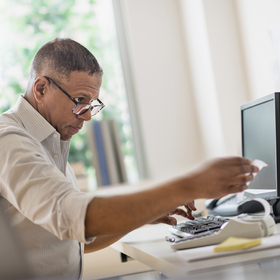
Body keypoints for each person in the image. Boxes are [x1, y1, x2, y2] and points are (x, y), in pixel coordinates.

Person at [0, 38, 258, 280]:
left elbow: (78, 240)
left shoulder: (51, 141)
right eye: (79, 101)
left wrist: (145, 213)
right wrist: (190, 185)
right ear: (41, 88)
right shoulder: (9, 140)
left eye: (91, 104)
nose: (87, 116)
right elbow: (74, 216)